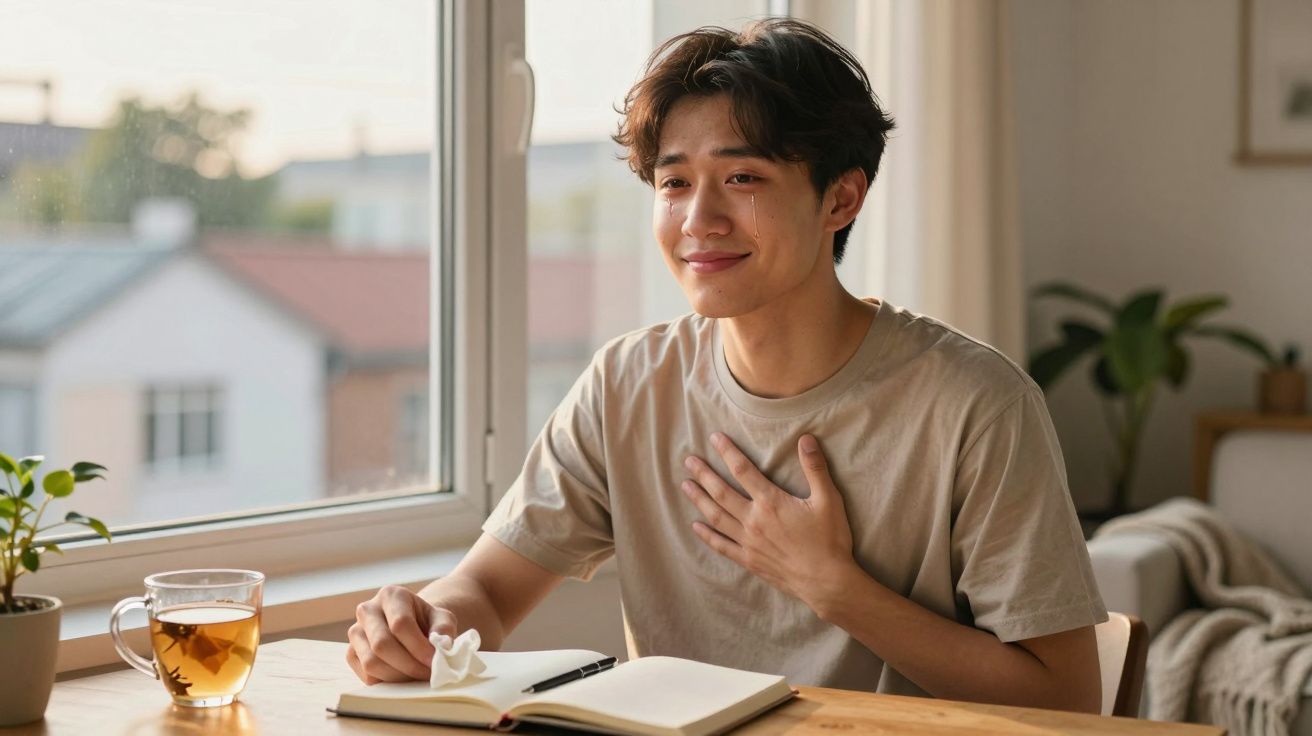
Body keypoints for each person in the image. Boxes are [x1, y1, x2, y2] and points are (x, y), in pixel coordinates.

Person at [347, 18, 1106, 713]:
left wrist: (836, 588)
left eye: (741, 178)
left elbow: (1066, 699)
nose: (697, 221)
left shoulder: (978, 404)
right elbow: (485, 587)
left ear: (841, 199)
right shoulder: (627, 384)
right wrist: (424, 620)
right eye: (674, 183)